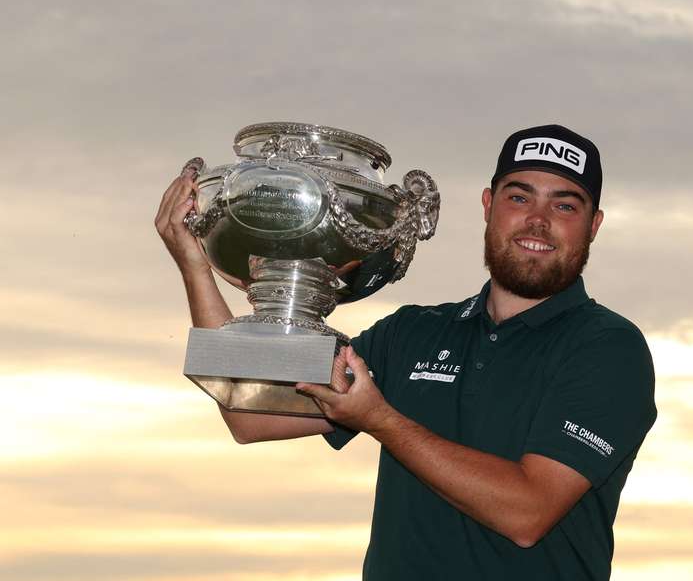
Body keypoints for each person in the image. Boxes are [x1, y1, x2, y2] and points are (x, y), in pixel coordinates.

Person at [155, 124, 657, 580]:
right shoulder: (412, 333)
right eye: (519, 197)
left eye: (565, 205)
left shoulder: (608, 347)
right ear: (488, 205)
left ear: (593, 226)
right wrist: (194, 265)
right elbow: (250, 412)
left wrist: (382, 420)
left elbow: (527, 513)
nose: (538, 220)